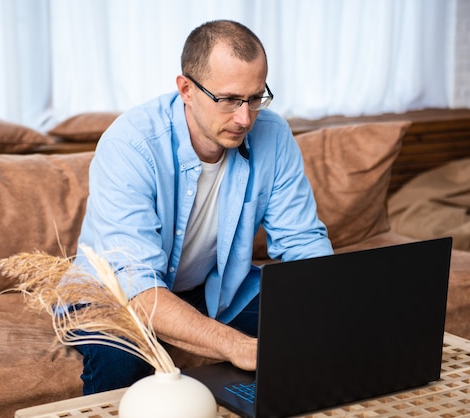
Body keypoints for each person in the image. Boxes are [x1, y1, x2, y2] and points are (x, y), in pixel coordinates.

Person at [69, 19, 333, 394]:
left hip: (211, 288)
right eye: (228, 100)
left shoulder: (272, 134)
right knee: (120, 360)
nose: (245, 118)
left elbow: (303, 241)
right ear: (186, 89)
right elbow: (139, 288)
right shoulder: (130, 144)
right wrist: (235, 345)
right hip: (114, 294)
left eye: (255, 98)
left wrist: (335, 303)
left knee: (313, 324)